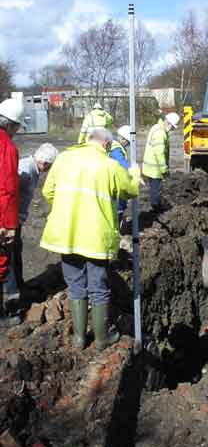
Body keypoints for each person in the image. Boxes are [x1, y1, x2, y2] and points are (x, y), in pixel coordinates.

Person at [40, 127, 140, 351]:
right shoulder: (109, 165)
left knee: (75, 285)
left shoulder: (64, 158)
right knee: (98, 286)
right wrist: (135, 172)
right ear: (105, 144)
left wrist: (67, 208)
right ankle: (102, 338)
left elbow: (48, 192)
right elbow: (131, 190)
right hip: (94, 237)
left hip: (67, 234)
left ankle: (79, 338)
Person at [6, 143, 59, 294]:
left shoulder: (32, 169)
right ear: (44, 163)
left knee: (17, 252)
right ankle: (12, 295)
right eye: (50, 166)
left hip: (16, 219)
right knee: (9, 256)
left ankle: (20, 286)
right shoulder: (24, 170)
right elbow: (8, 193)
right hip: (9, 220)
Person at [0, 97, 24, 328]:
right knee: (1, 261)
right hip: (1, 214)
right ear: (10, 124)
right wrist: (9, 226)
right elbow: (7, 189)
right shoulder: (6, 146)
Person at [142, 112, 180, 211]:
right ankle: (156, 208)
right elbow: (159, 153)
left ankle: (156, 204)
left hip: (152, 167)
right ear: (168, 123)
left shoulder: (157, 127)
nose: (172, 129)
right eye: (172, 127)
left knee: (154, 188)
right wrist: (164, 170)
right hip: (155, 168)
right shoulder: (160, 133)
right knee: (156, 189)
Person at [109, 125, 131, 225]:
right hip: (115, 181)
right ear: (123, 138)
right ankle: (117, 228)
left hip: (116, 180)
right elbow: (121, 163)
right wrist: (132, 170)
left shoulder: (115, 145)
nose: (128, 144)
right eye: (128, 142)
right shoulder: (116, 149)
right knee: (118, 205)